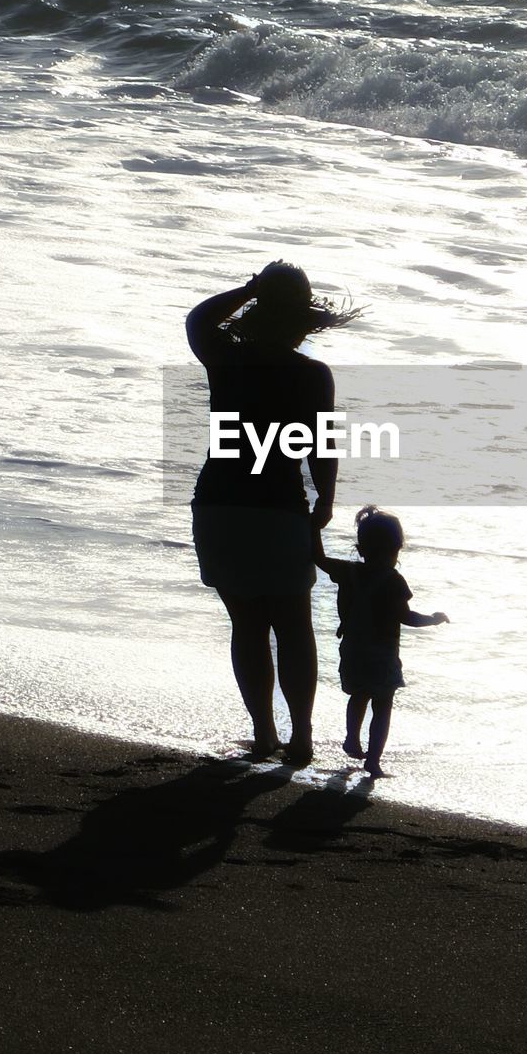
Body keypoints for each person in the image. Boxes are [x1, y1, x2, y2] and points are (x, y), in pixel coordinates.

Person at [187, 262, 358, 766]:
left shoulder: (226, 359)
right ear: (303, 320)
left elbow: (198, 320)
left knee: (248, 624)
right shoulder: (310, 375)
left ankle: (264, 735)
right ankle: (301, 738)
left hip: (221, 500)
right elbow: (320, 446)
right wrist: (324, 501)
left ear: (258, 309)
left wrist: (248, 288)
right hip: (280, 505)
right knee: (293, 625)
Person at [314, 506, 448, 778]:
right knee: (383, 706)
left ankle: (352, 738)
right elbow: (406, 617)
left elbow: (318, 558)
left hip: (352, 649)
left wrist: (312, 526)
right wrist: (433, 619)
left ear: (361, 549)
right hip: (382, 655)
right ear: (397, 548)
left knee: (359, 695)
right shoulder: (394, 581)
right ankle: (373, 761)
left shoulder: (347, 571)